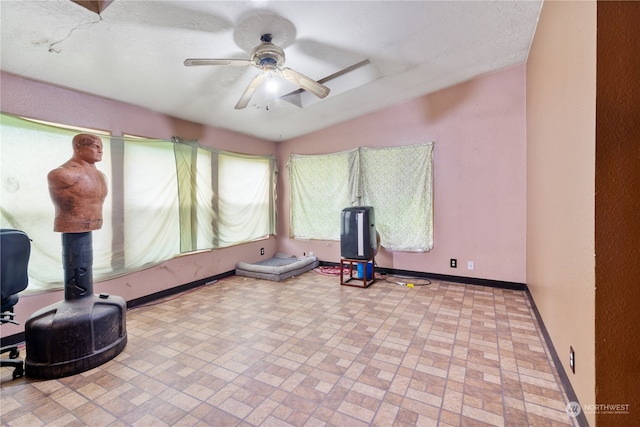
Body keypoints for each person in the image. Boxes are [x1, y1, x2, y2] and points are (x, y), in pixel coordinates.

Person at [48, 133, 108, 233]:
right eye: (96, 146)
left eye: (101, 148)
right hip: (71, 226)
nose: (100, 151)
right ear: (77, 147)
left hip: (93, 224)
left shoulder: (101, 175)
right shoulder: (63, 174)